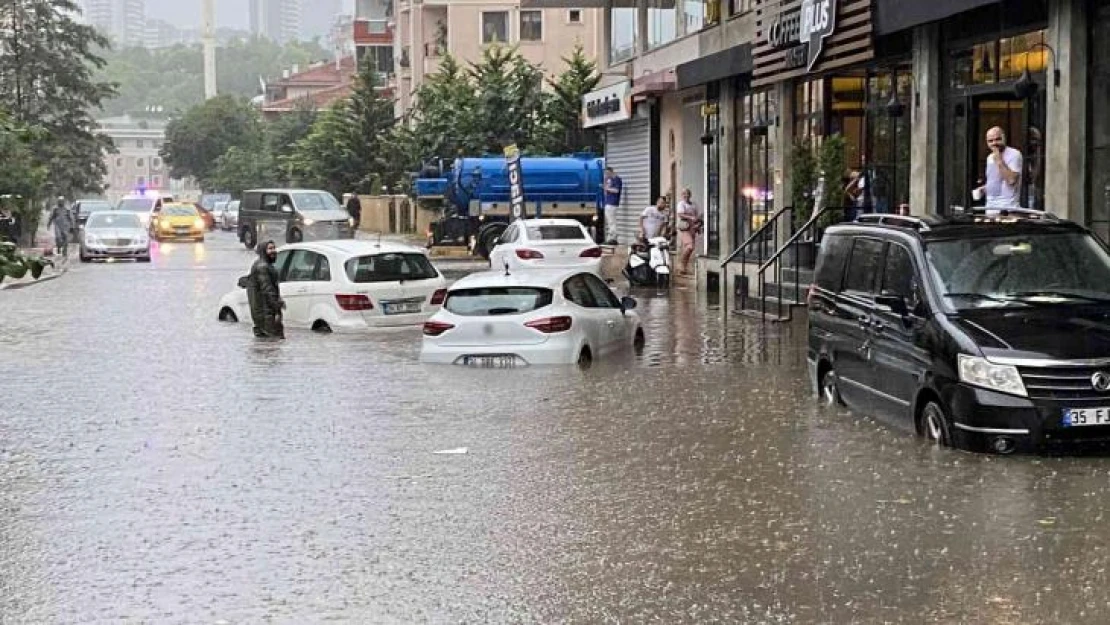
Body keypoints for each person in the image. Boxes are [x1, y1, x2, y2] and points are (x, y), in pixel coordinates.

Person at [975, 126, 1023, 210]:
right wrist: (983, 189)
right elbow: (996, 182)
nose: (994, 143)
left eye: (998, 139)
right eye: (990, 141)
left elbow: (1011, 180)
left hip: (1008, 208)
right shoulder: (989, 157)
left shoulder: (1014, 154)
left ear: (1004, 138)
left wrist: (999, 159)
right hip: (990, 207)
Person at [247, 240, 286, 339]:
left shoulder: (263, 265)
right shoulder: (262, 267)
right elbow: (268, 290)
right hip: (266, 314)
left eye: (274, 248)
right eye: (270, 249)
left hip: (264, 313)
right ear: (263, 251)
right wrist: (277, 306)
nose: (273, 251)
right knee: (274, 342)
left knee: (266, 345)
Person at [675, 188, 701, 275]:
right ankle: (681, 264)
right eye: (684, 194)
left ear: (690, 195)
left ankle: (683, 267)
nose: (686, 195)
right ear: (682, 195)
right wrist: (690, 217)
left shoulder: (694, 204)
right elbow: (680, 214)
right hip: (685, 227)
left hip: (692, 228)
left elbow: (696, 215)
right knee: (690, 246)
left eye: (688, 193)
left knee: (689, 248)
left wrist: (698, 225)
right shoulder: (681, 204)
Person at [602, 166, 623, 245]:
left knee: (612, 221)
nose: (606, 175)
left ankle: (613, 238)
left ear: (611, 172)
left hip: (613, 202)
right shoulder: (608, 179)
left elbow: (616, 190)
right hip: (608, 202)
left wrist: (607, 188)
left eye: (607, 173)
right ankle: (609, 238)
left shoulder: (617, 179)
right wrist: (605, 183)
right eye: (605, 173)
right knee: (609, 221)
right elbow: (606, 189)